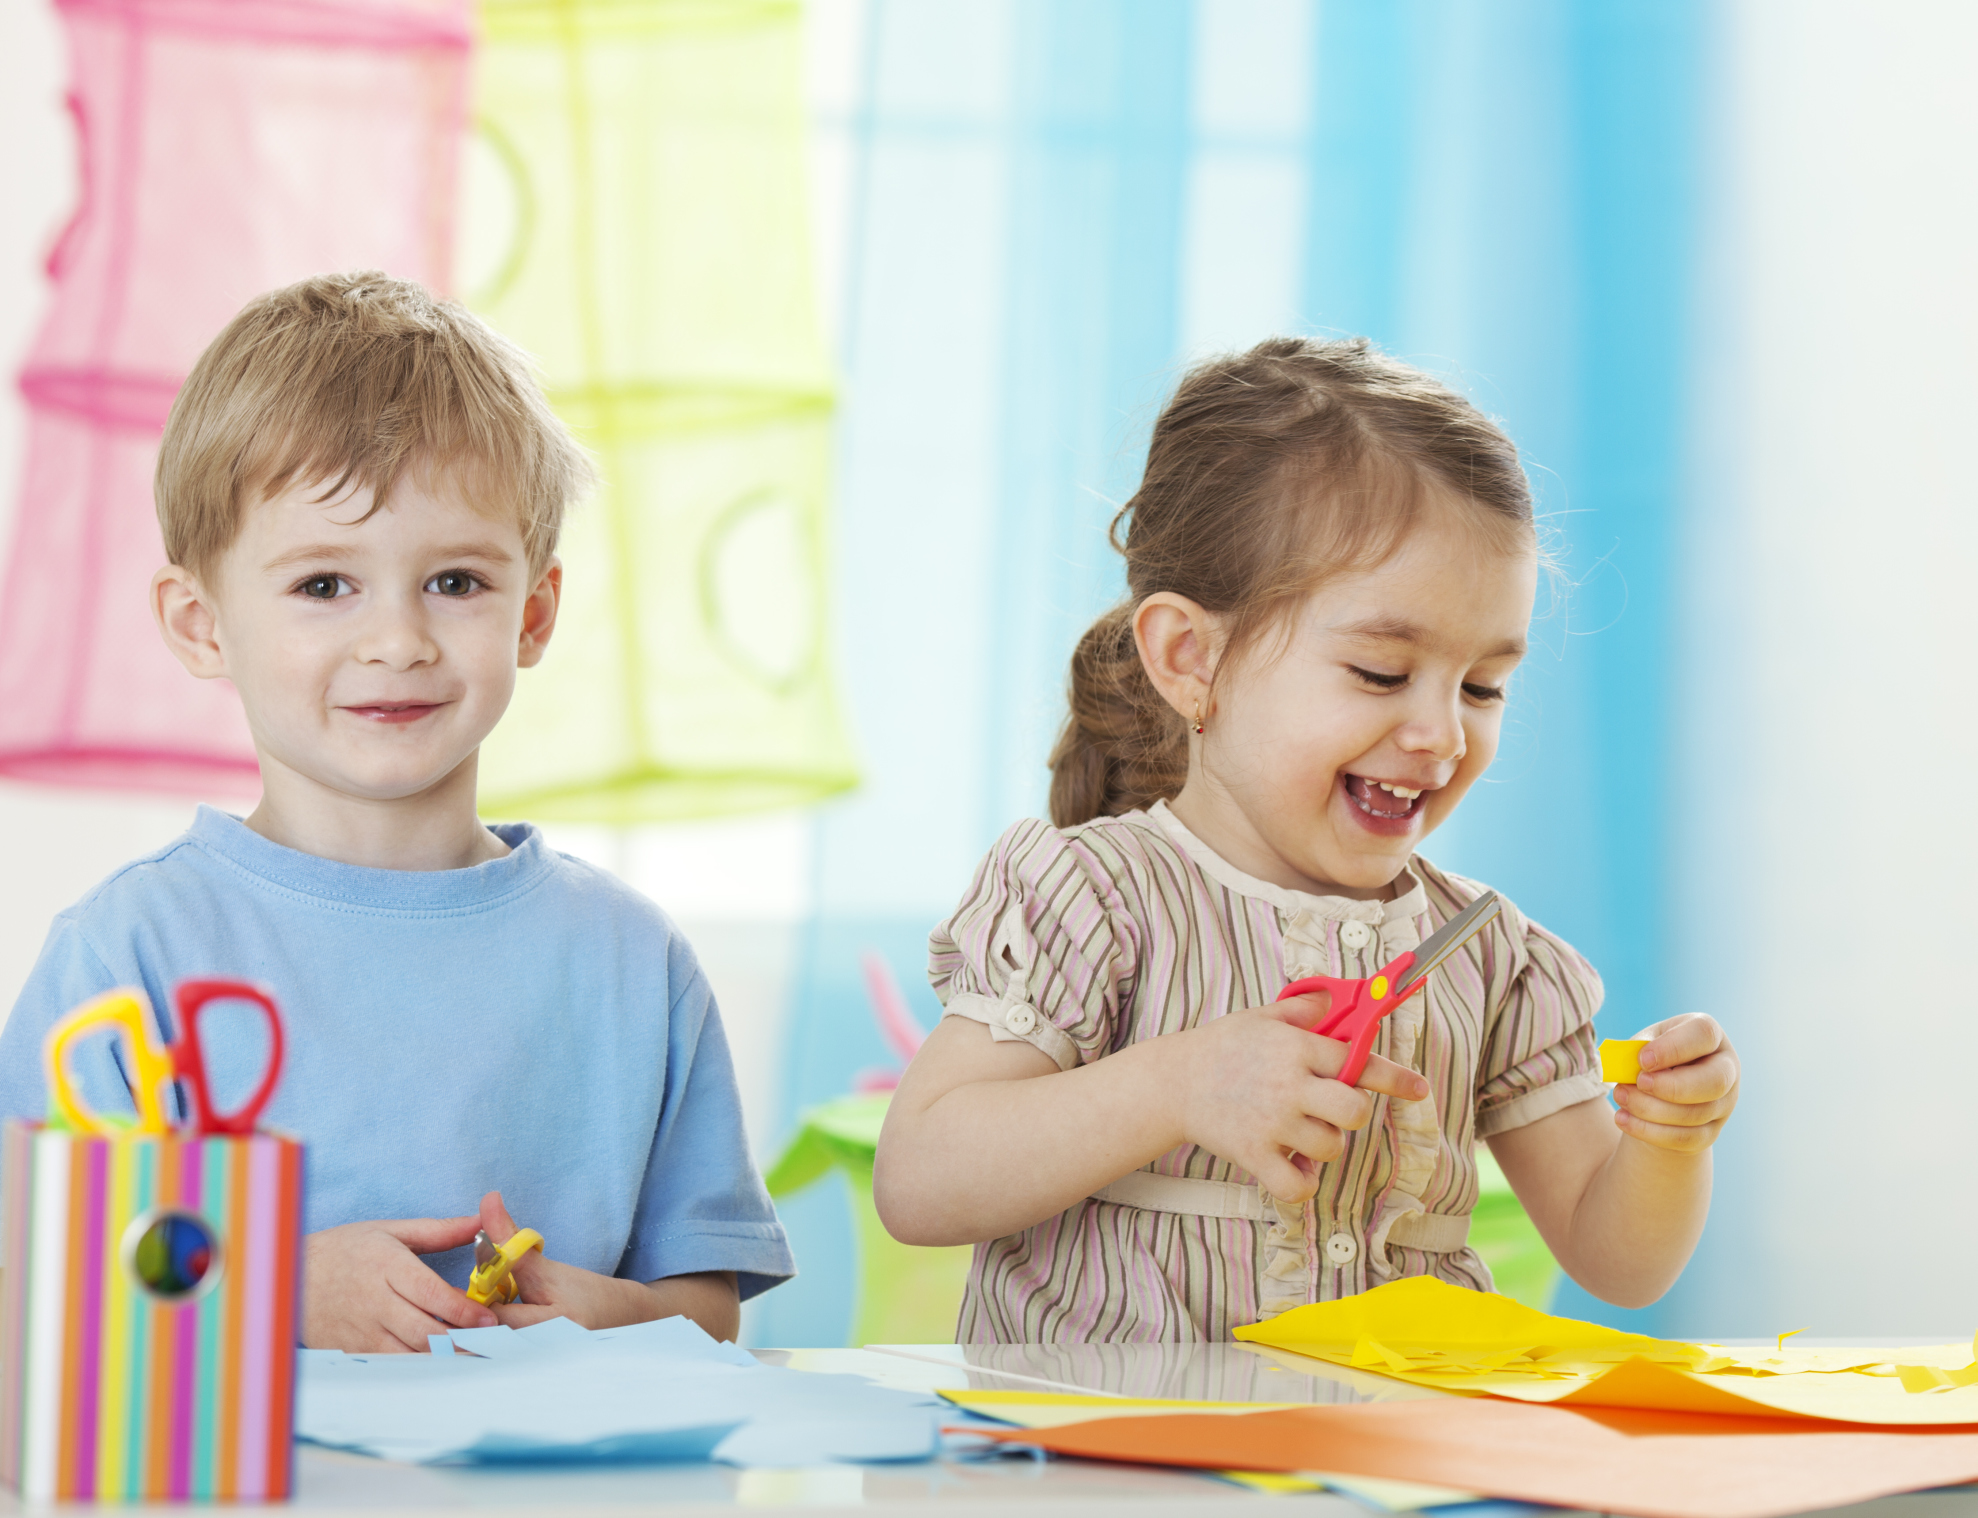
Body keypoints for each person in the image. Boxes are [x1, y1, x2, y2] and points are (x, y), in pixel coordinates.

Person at [874, 337, 1740, 1343]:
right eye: (1380, 672)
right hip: (1111, 1471)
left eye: (1482, 685)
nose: (1441, 734)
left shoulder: (1488, 957)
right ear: (1190, 658)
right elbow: (921, 1180)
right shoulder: (1092, 898)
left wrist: (1669, 1145)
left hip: (1384, 1477)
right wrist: (1177, 1083)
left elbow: (1618, 1261)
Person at [0, 272, 793, 1351]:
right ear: (200, 624)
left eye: (456, 582)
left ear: (536, 611)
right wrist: (266, 1290)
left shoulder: (631, 963)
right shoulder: (126, 956)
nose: (398, 641)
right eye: (325, 585)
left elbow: (706, 1311)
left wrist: (607, 1312)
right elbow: (34, 1287)